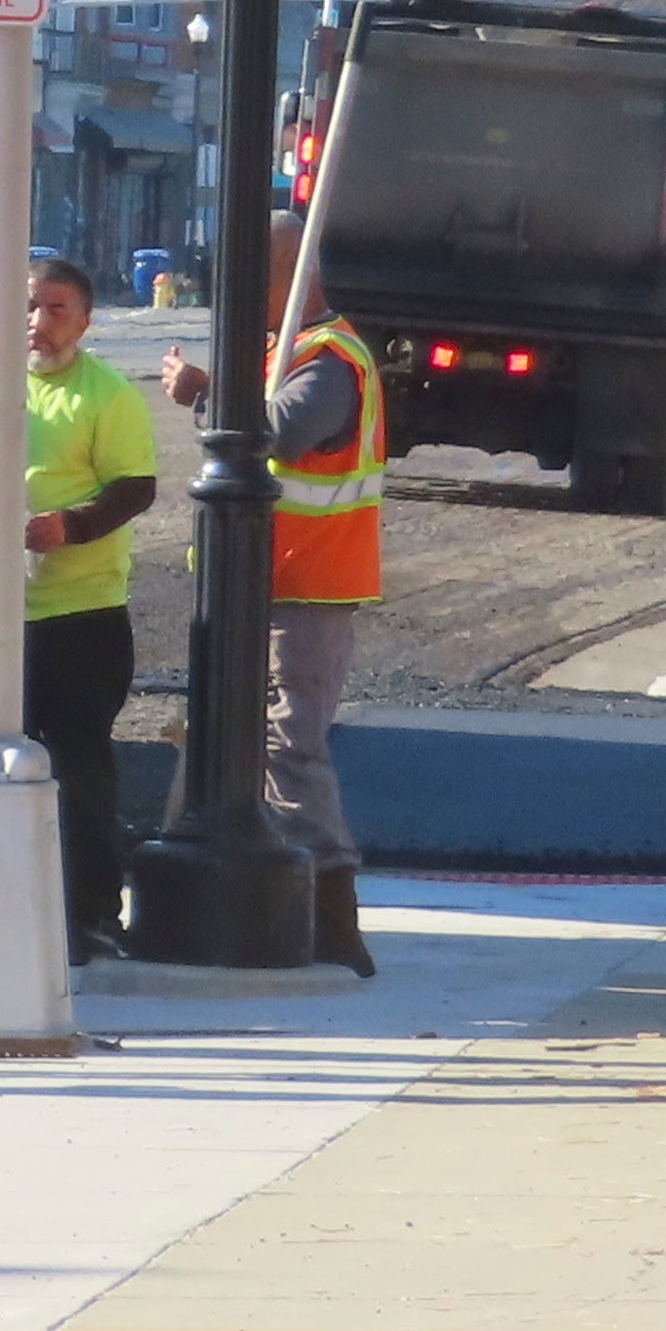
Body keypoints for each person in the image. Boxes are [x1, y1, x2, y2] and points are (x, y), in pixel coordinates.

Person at [161, 208, 382, 964]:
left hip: (305, 590)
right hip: (252, 585)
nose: (247, 293)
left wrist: (202, 393)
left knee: (289, 750)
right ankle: (182, 877)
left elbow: (273, 433)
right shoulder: (281, 351)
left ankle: (330, 910)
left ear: (300, 279)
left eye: (265, 276)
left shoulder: (328, 360)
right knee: (218, 736)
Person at [21, 256, 160, 959]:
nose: (36, 325)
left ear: (84, 322)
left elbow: (135, 488)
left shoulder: (105, 394)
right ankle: (9, 907)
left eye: (55, 311)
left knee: (79, 770)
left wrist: (68, 526)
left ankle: (90, 915)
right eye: (29, 308)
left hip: (82, 613)